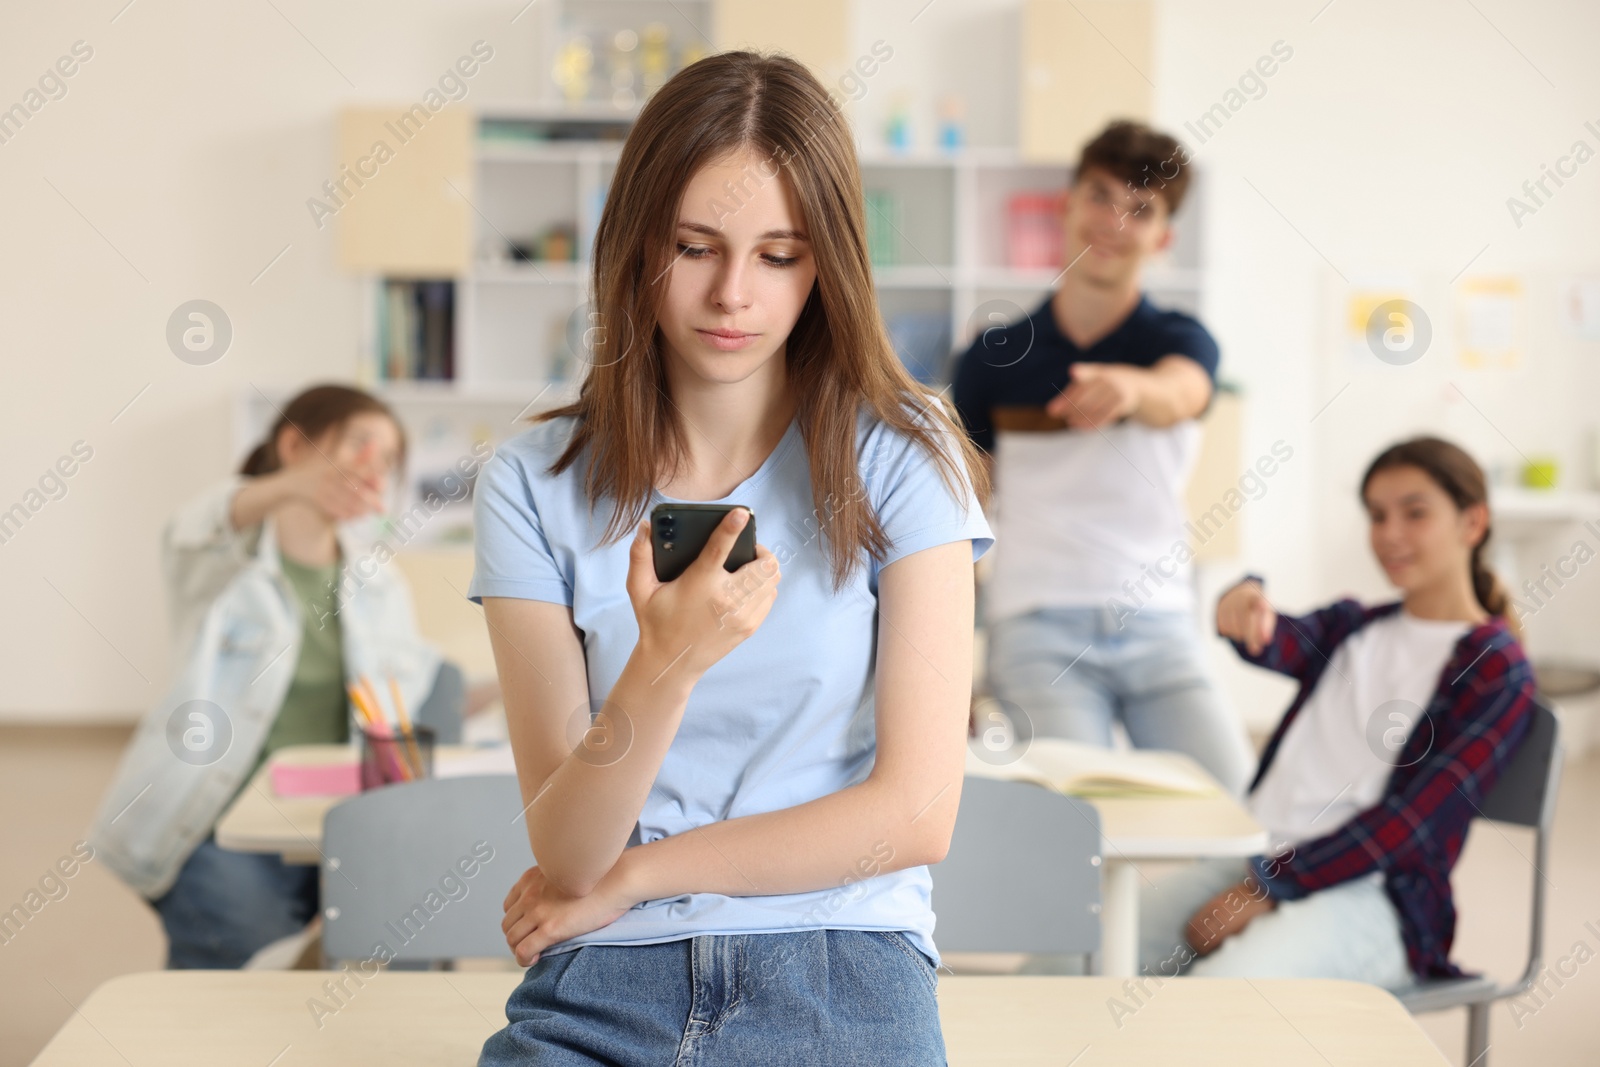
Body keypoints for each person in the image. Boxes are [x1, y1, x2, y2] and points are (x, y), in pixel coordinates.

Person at [467, 51, 992, 1065]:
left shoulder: (903, 457)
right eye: (695, 246)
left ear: (827, 262)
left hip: (844, 959)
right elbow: (568, 851)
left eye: (780, 254)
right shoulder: (531, 481)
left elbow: (916, 814)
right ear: (636, 246)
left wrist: (638, 876)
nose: (732, 294)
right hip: (602, 977)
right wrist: (663, 664)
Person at [1137, 437, 1536, 986]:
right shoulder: (1355, 626)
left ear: (1473, 523)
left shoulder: (1496, 670)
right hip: (1257, 861)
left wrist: (1271, 889)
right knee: (1073, 961)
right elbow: (1271, 637)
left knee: (1217, 1002)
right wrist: (1244, 596)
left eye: (1414, 513)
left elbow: (1414, 823)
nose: (1389, 534)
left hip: (1372, 899)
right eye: (1376, 515)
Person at [89, 384, 449, 968]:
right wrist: (293, 486)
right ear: (292, 444)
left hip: (333, 820)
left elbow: (409, 687)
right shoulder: (219, 563)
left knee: (407, 951)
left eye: (386, 458)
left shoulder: (380, 583)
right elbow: (194, 527)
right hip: (222, 819)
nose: (372, 466)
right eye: (360, 443)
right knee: (243, 961)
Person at [951, 120, 1254, 795]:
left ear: (1164, 237)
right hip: (1036, 630)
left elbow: (1183, 391)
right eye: (1100, 195)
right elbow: (960, 515)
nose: (1114, 220)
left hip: (1160, 628)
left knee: (1237, 812)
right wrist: (951, 671)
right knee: (1082, 823)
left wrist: (1132, 389)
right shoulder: (992, 357)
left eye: (1140, 209)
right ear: (1065, 204)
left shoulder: (1180, 340)